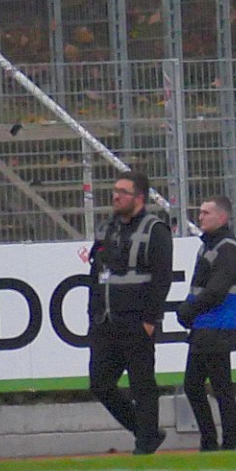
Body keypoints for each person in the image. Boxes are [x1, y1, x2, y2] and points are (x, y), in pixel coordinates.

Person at [87, 169, 174, 455]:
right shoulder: (106, 228)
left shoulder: (155, 230)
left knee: (142, 385)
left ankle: (145, 443)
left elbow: (162, 278)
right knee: (100, 384)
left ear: (139, 198)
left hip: (136, 321)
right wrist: (93, 313)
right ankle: (146, 431)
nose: (115, 196)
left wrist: (150, 319)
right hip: (106, 322)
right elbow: (96, 274)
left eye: (122, 192)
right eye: (115, 191)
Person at [174, 195, 236, 451]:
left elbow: (216, 290)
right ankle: (213, 440)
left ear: (222, 217)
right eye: (200, 211)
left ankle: (223, 442)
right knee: (199, 385)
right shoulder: (212, 245)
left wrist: (189, 309)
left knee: (216, 386)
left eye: (206, 212)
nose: (200, 216)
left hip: (218, 324)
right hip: (207, 324)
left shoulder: (225, 248)